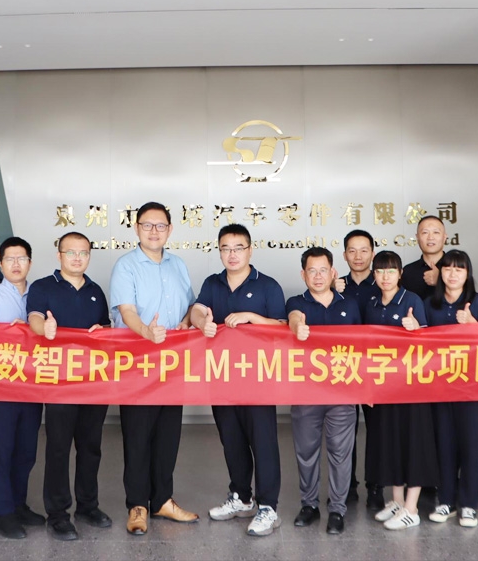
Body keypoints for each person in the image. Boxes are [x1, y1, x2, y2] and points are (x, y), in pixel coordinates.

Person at [190, 224, 287, 537]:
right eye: (226, 248)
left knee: (263, 442)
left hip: (259, 378)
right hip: (222, 376)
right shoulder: (213, 283)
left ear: (250, 250)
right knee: (231, 439)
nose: (232, 254)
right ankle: (242, 497)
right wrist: (201, 322)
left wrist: (252, 317)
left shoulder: (267, 285)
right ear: (219, 251)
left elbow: (282, 327)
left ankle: (268, 506)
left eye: (238, 248)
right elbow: (197, 310)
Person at [109, 202, 199, 536]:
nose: (154, 231)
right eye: (147, 225)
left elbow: (189, 305)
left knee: (167, 434)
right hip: (137, 362)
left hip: (172, 363)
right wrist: (147, 331)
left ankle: (162, 499)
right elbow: (127, 312)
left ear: (170, 230)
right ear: (137, 228)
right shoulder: (126, 265)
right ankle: (137, 505)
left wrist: (188, 321)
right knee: (137, 436)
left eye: (160, 226)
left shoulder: (178, 265)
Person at [28, 232, 112, 541]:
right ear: (59, 255)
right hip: (59, 382)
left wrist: (103, 330)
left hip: (93, 381)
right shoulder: (43, 287)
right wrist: (46, 328)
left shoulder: (95, 290)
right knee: (59, 448)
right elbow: (34, 319)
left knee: (90, 447)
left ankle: (88, 506)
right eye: (71, 252)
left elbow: (106, 327)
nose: (77, 258)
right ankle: (58, 514)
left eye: (83, 253)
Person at [0, 236, 46, 539]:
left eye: (22, 259)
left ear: (30, 262)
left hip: (33, 384)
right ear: (1, 263)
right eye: (10, 259)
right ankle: (3, 513)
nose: (16, 264)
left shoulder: (41, 293)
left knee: (26, 450)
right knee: (1, 449)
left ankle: (18, 505)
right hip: (2, 384)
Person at [287, 246, 361, 535]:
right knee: (306, 452)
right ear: (303, 275)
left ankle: (337, 509)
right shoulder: (297, 302)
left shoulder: (350, 305)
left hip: (343, 393)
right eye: (312, 271)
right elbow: (294, 316)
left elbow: (363, 347)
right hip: (306, 393)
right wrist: (297, 326)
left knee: (341, 454)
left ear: (333, 272)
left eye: (323, 270)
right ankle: (309, 505)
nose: (318, 276)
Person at [362, 251, 436, 531]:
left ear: (400, 274)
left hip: (412, 388)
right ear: (374, 274)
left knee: (413, 444)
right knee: (390, 442)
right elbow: (366, 349)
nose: (385, 277)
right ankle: (396, 501)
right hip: (384, 387)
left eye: (391, 271)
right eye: (380, 271)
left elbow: (428, 344)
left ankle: (411, 509)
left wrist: (416, 328)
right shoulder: (371, 303)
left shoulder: (412, 300)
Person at [424, 249, 478, 528]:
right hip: (440, 387)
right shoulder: (431, 303)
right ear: (440, 272)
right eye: (448, 268)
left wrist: (473, 324)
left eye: (459, 269)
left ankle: (469, 505)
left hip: (472, 388)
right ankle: (446, 501)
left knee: (470, 447)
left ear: (467, 274)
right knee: (444, 445)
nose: (453, 274)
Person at [334, 229, 382, 509]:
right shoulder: (337, 287)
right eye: (352, 250)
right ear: (344, 255)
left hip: (377, 367)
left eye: (364, 250)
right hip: (346, 366)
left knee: (377, 431)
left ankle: (375, 486)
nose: (358, 256)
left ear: (373, 254)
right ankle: (347, 486)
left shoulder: (384, 283)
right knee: (344, 431)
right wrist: (331, 291)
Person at [401, 216, 446, 301]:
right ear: (417, 237)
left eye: (436, 232)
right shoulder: (408, 271)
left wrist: (440, 281)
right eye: (425, 232)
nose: (430, 237)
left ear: (444, 237)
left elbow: (467, 296)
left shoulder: (457, 267)